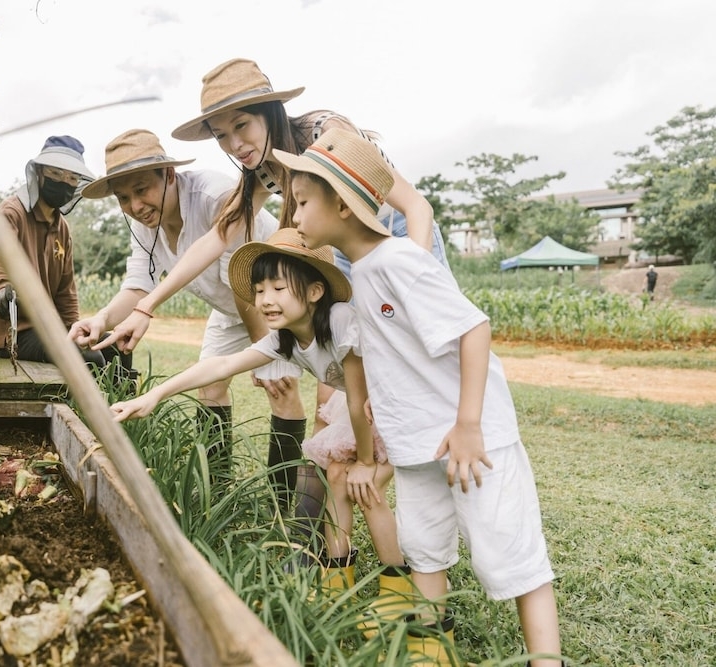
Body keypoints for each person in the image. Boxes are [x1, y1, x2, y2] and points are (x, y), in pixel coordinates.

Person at [273, 128, 562, 666]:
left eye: (303, 202)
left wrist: (470, 424)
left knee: (513, 559)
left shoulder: (401, 261)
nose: (293, 218)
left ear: (341, 203)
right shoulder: (361, 275)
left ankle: (545, 659)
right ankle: (430, 648)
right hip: (415, 444)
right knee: (424, 550)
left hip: (470, 441)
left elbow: (474, 328)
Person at [109, 228, 409, 609]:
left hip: (396, 405)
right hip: (365, 407)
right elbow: (222, 364)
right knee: (335, 474)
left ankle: (401, 590)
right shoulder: (283, 338)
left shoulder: (338, 319)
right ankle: (337, 575)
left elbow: (358, 398)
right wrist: (154, 394)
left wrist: (366, 462)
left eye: (278, 288)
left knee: (364, 488)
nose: (265, 300)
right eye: (260, 289)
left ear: (315, 291)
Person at [68, 129, 305, 506]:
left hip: (273, 299)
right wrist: (103, 319)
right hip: (229, 308)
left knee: (281, 386)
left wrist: (266, 350)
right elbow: (137, 285)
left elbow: (244, 282)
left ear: (169, 176)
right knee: (209, 388)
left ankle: (282, 504)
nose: (135, 204)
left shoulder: (214, 195)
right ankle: (217, 493)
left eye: (141, 189)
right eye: (124, 198)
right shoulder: (145, 225)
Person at [0, 135, 133, 380]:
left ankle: (122, 411)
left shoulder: (62, 227)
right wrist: (1, 287)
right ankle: (87, 414)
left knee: (115, 346)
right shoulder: (13, 212)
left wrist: (76, 329)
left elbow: (66, 289)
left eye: (72, 178)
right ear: (39, 173)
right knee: (91, 359)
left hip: (52, 329)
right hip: (16, 333)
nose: (65, 182)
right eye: (56, 174)